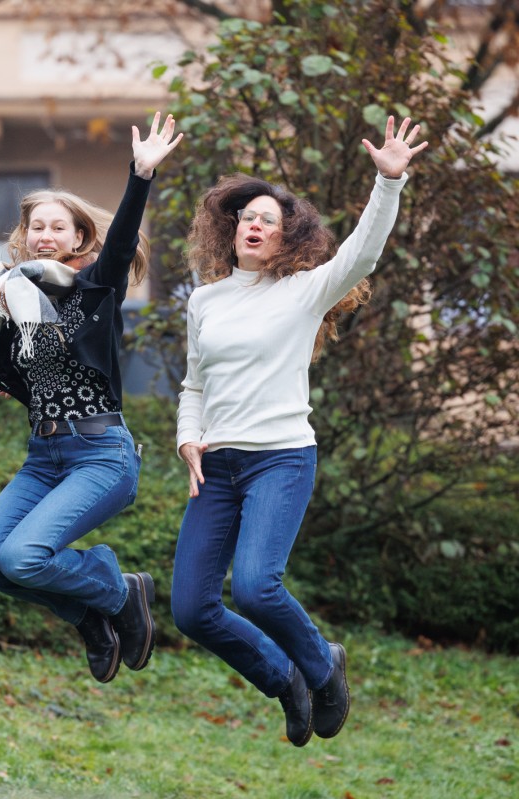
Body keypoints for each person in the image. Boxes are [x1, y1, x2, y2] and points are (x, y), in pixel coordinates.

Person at [171, 116, 428, 747]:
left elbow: (364, 251)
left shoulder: (304, 291)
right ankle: (284, 679)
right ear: (231, 230)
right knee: (190, 609)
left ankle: (321, 665)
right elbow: (194, 385)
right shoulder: (205, 302)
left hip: (280, 459)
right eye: (246, 218)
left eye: (269, 220)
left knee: (257, 588)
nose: (254, 225)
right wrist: (188, 439)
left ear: (286, 238)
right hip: (218, 465)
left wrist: (387, 182)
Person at [0, 114, 183, 684]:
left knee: (22, 557)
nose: (46, 237)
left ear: (79, 238)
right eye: (37, 227)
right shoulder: (7, 304)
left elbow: (127, 236)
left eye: (59, 228)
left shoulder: (96, 290)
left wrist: (140, 177)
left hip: (100, 454)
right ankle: (90, 612)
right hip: (45, 458)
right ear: (24, 235)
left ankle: (118, 588)